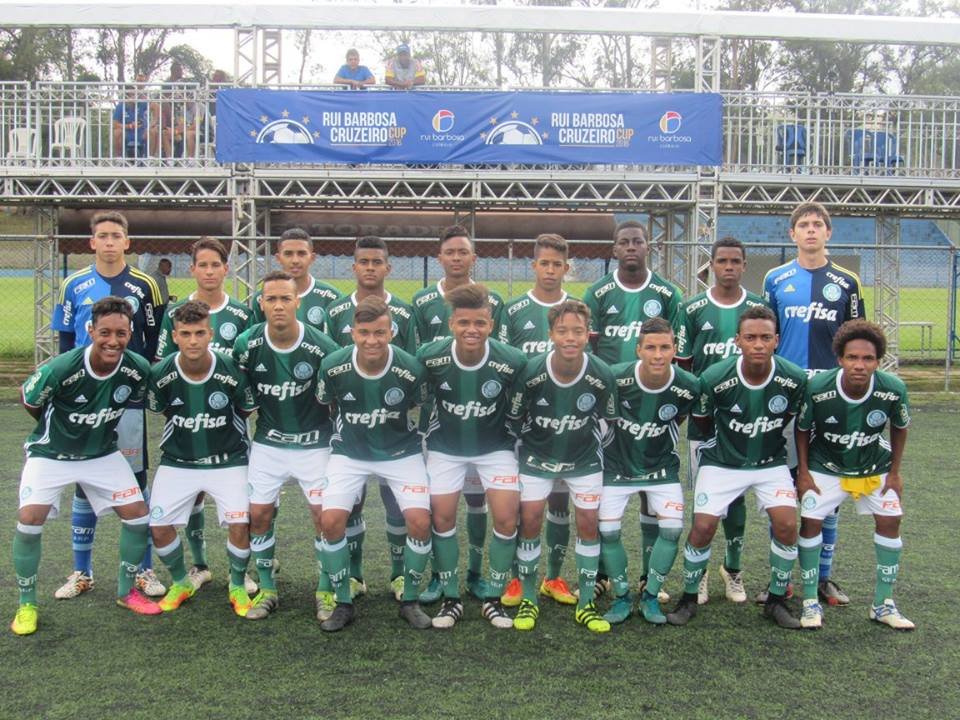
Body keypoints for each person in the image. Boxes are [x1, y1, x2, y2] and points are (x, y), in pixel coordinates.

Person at [11, 297, 161, 635]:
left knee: (138, 515)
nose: (112, 341)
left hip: (102, 455)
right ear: (90, 330)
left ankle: (126, 592)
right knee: (29, 519)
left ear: (130, 333)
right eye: (105, 332)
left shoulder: (136, 367)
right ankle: (26, 604)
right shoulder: (62, 367)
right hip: (51, 455)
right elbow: (30, 400)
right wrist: (63, 429)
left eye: (121, 333)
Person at [668, 305, 807, 630]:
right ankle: (688, 597)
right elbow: (701, 423)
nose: (758, 344)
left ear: (777, 340)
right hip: (722, 463)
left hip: (769, 462)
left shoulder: (793, 378)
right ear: (737, 341)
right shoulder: (715, 378)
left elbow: (793, 421)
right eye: (750, 338)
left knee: (787, 525)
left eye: (765, 338)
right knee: (702, 528)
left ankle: (776, 599)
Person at [51, 210, 166, 601]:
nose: (110, 241)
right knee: (85, 481)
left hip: (127, 397)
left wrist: (143, 382)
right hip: (84, 398)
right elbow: (65, 344)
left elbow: (153, 342)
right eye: (103, 235)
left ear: (127, 242)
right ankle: (82, 572)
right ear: (92, 242)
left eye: (117, 235)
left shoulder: (145, 284)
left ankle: (144, 570)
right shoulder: (73, 285)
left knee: (135, 481)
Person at [763, 201, 865, 607]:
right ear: (792, 235)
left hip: (828, 393)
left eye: (817, 224)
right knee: (785, 487)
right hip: (786, 392)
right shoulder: (775, 278)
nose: (810, 230)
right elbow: (763, 334)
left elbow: (856, 339)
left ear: (828, 232)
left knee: (828, 485)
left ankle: (823, 578)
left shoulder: (847, 281)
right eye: (802, 225)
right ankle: (781, 578)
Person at [316, 296, 432, 631]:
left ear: (391, 332)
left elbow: (417, 404)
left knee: (419, 521)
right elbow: (327, 404)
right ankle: (342, 601)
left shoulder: (410, 368)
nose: (372, 340)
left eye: (379, 332)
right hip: (349, 454)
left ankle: (409, 599)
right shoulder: (333, 366)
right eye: (364, 332)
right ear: (352, 332)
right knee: (331, 520)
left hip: (401, 453)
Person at [232, 271, 341, 621]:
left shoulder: (323, 348)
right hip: (269, 444)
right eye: (271, 299)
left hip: (315, 445)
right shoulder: (246, 345)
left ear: (298, 302)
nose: (278, 305)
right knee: (259, 515)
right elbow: (243, 398)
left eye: (285, 299)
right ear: (260, 304)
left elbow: (336, 400)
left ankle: (325, 589)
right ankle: (267, 589)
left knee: (323, 517)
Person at [582, 219, 681, 600]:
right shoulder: (599, 292)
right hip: (611, 406)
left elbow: (677, 348)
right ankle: (607, 574)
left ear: (647, 247)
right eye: (624, 242)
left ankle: (645, 576)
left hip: (655, 405)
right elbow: (588, 350)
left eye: (638, 242)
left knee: (650, 488)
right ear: (614, 249)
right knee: (611, 482)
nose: (631, 248)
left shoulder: (667, 293)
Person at [418, 284, 528, 628]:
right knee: (442, 518)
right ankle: (451, 599)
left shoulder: (512, 361)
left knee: (508, 518)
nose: (472, 330)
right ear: (451, 323)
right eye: (464, 322)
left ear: (491, 325)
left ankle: (493, 599)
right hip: (445, 447)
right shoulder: (429, 356)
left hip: (494, 448)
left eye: (480, 323)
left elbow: (519, 409)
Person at [507, 299, 618, 633]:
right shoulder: (531, 371)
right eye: (563, 330)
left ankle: (586, 604)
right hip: (537, 458)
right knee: (529, 520)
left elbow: (609, 422)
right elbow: (514, 419)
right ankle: (529, 598)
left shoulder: (601, 374)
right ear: (551, 333)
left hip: (583, 460)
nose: (570, 337)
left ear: (588, 335)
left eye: (578, 331)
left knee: (587, 522)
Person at [795, 320, 914, 631]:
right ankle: (810, 601)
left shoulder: (893, 389)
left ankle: (883, 604)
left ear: (878, 361)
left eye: (868, 359)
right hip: (826, 466)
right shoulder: (818, 388)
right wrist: (804, 473)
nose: (859, 365)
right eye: (853, 358)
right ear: (840, 359)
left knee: (891, 520)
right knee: (810, 522)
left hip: (874, 465)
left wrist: (896, 473)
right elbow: (803, 429)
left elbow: (900, 428)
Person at [412, 224, 506, 603]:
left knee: (479, 500)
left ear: (473, 258)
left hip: (485, 420)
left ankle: (475, 571)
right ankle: (440, 575)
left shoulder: (493, 300)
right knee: (441, 506)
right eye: (449, 252)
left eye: (462, 252)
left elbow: (501, 354)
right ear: (440, 258)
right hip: (441, 423)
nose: (456, 258)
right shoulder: (421, 301)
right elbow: (418, 361)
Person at [155, 237, 254, 591]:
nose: (209, 271)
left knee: (243, 507)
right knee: (191, 495)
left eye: (216, 265)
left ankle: (242, 573)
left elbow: (248, 366)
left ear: (226, 269)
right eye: (203, 265)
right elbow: (163, 367)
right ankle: (198, 565)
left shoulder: (242, 313)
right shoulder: (175, 314)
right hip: (187, 421)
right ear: (192, 269)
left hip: (229, 425)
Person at [146, 301, 257, 618]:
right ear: (176, 336)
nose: (193, 340)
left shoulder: (230, 370)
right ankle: (181, 582)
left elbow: (245, 409)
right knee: (159, 525)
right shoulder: (161, 373)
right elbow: (162, 409)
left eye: (199, 333)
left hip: (229, 460)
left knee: (239, 521)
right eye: (185, 334)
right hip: (179, 460)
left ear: (210, 334)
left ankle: (236, 584)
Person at [324, 235, 418, 601]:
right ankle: (355, 575)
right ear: (354, 267)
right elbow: (333, 371)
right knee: (353, 502)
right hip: (352, 429)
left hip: (395, 430)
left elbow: (411, 370)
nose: (370, 268)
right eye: (363, 262)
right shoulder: (336, 312)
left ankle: (398, 576)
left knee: (396, 501)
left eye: (377, 262)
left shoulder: (405, 313)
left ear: (387, 268)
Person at [675, 237, 768, 606]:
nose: (729, 267)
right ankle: (698, 575)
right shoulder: (692, 308)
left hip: (749, 419)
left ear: (744, 265)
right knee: (707, 498)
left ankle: (733, 569)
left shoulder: (759, 306)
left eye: (735, 261)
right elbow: (683, 364)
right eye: (722, 261)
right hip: (704, 422)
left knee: (739, 497)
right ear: (711, 265)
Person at [599, 318, 700, 625]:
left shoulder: (688, 385)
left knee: (671, 529)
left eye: (665, 347)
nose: (658, 355)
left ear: (675, 350)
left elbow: (680, 417)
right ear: (638, 349)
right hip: (616, 468)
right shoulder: (615, 378)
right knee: (608, 531)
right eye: (651, 348)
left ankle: (651, 596)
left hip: (661, 468)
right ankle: (620, 597)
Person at [500, 233, 577, 608]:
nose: (550, 270)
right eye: (544, 263)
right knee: (523, 505)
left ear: (566, 267)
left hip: (565, 425)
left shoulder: (577, 310)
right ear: (533, 266)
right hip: (525, 425)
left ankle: (554, 576)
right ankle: (517, 577)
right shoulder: (514, 310)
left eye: (557, 264)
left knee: (560, 505)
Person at [250, 228, 342, 333]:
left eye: (301, 254)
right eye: (288, 254)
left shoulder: (332, 297)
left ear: (312, 258)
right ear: (278, 258)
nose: (295, 260)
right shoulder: (261, 298)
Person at [112, 75, 154, 160]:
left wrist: (152, 124)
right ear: (126, 96)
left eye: (135, 94)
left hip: (142, 133)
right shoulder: (121, 106)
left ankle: (150, 158)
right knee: (117, 132)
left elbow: (156, 106)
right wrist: (129, 126)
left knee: (153, 131)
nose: (134, 97)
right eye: (131, 95)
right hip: (127, 134)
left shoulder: (141, 103)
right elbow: (115, 124)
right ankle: (119, 159)